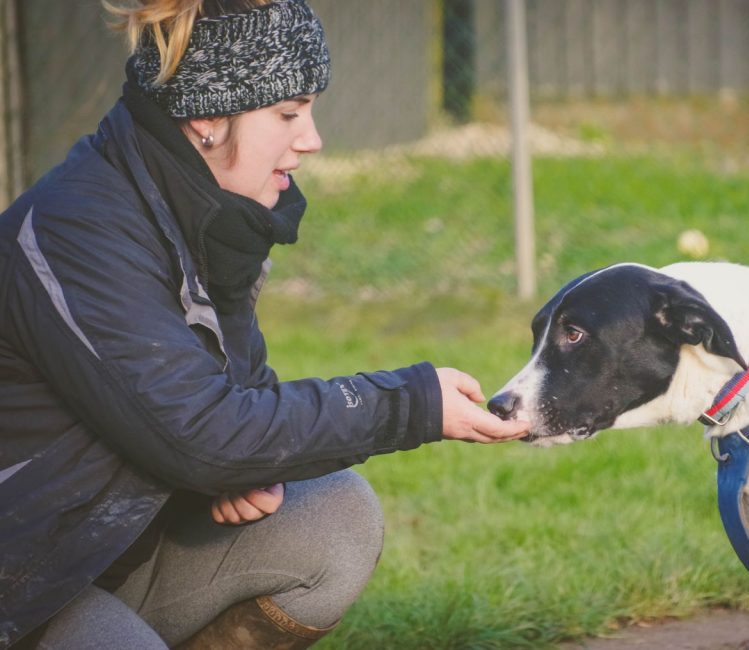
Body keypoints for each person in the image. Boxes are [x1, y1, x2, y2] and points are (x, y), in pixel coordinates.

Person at [0, 1, 530, 647]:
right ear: (207, 118)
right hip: (25, 584)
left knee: (333, 514)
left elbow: (229, 408)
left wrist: (237, 473)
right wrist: (412, 404)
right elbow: (201, 435)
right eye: (287, 114)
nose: (311, 139)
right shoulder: (76, 230)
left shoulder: (206, 211)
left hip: (104, 553)